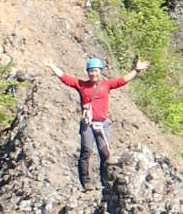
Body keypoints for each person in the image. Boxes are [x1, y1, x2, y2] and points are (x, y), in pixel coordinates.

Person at [48, 53, 148, 188]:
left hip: (102, 124)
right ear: (88, 72)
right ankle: (86, 181)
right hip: (88, 123)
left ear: (100, 72)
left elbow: (122, 80)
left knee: (105, 153)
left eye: (96, 71)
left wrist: (136, 70)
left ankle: (104, 181)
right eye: (91, 71)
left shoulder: (106, 85)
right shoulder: (82, 85)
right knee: (86, 151)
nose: (93, 74)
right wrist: (52, 66)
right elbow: (65, 78)